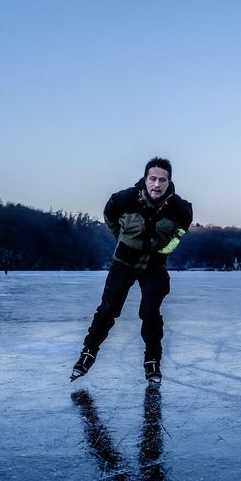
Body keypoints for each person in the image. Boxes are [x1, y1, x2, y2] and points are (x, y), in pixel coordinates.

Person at [71, 157, 193, 384]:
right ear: (145, 179)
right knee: (108, 310)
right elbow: (110, 219)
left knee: (150, 313)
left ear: (169, 182)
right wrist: (123, 241)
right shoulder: (124, 200)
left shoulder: (181, 209)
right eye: (153, 179)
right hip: (124, 262)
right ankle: (88, 353)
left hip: (154, 264)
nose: (157, 185)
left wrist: (164, 251)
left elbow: (179, 234)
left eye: (162, 180)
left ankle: (152, 361)